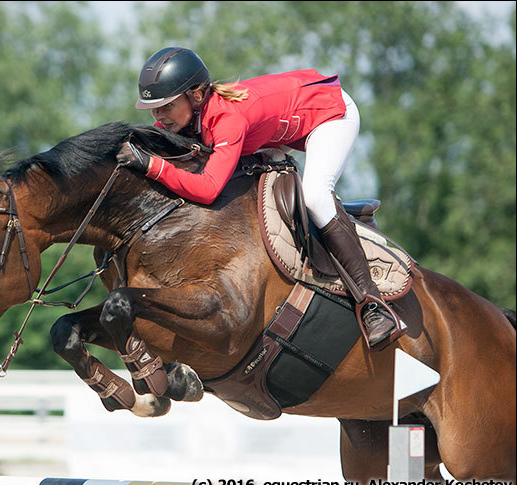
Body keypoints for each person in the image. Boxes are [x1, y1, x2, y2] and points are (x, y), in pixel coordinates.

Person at [116, 46, 403, 349]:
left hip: (329, 115)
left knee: (315, 196)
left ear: (196, 96)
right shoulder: (191, 115)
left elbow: (208, 188)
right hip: (275, 130)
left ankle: (372, 303)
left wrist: (152, 165)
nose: (158, 117)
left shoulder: (228, 118)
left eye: (166, 107)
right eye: (154, 110)